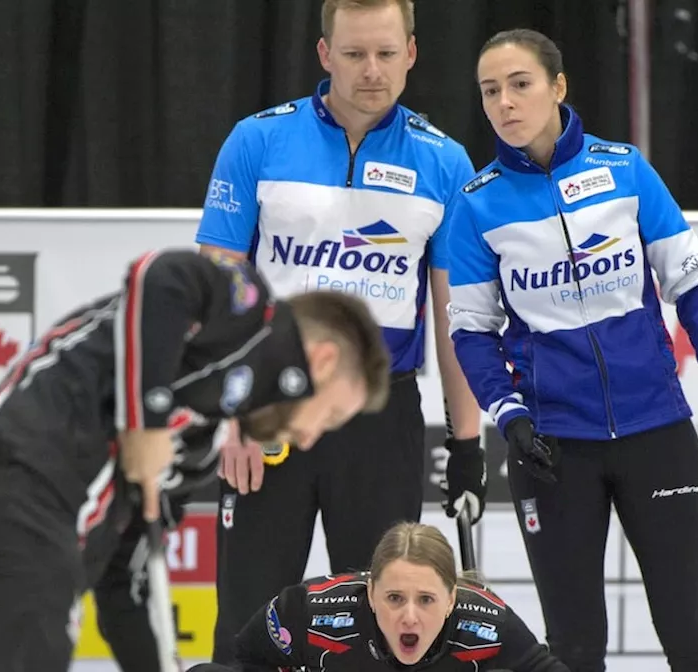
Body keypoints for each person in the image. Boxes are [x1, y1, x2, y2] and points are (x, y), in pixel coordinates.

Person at [0, 249, 393, 672]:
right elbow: (160, 277)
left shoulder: (195, 449)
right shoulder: (247, 308)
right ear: (323, 362)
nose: (309, 439)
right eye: (327, 416)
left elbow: (125, 584)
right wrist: (148, 422)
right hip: (15, 500)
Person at [444, 29, 698, 672]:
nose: (504, 103)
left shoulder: (624, 170)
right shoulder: (475, 206)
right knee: (574, 646)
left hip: (656, 431)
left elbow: (692, 283)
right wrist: (511, 416)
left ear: (558, 88)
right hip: (554, 449)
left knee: (691, 636)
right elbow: (471, 332)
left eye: (520, 84)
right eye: (489, 91)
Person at [194, 0, 488, 664]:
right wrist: (236, 411)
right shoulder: (258, 140)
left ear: (412, 53)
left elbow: (455, 319)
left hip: (382, 419)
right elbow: (217, 290)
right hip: (273, 408)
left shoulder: (446, 164)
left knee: (383, 626)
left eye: (386, 53)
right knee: (249, 623)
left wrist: (467, 446)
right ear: (325, 55)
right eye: (354, 54)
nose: (372, 71)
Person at [187, 522, 570, 672]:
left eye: (426, 600)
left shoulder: (485, 620)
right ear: (370, 593)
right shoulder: (311, 609)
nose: (409, 616)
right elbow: (245, 659)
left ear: (452, 598)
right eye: (394, 598)